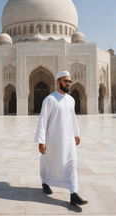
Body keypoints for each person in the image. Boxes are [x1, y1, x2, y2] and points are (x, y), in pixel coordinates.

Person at [34, 70, 88, 210]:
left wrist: (76, 133)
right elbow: (42, 120)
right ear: (58, 82)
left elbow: (73, 118)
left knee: (71, 163)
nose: (68, 83)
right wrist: (41, 141)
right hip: (53, 139)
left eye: (69, 81)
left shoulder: (71, 100)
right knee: (49, 162)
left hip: (68, 139)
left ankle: (73, 193)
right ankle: (45, 182)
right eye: (65, 81)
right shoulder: (50, 99)